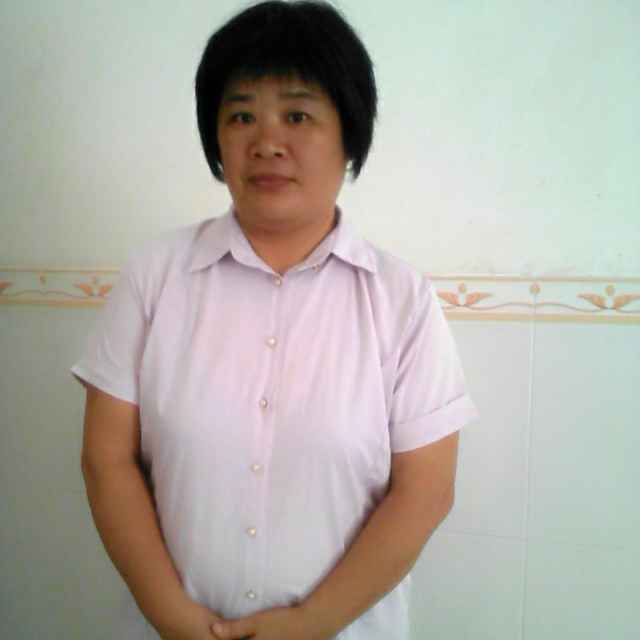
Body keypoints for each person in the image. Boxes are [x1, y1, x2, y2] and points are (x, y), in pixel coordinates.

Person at [71, 1, 479, 639]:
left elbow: (425, 491)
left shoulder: (401, 299)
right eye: (240, 116)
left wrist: (312, 622)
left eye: (297, 115)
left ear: (349, 134)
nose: (266, 142)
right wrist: (173, 617)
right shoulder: (154, 275)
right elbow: (106, 460)